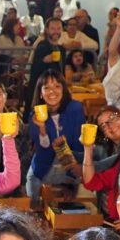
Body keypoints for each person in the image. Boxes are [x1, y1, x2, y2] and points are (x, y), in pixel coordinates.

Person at [27, 69, 84, 200]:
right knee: (34, 214)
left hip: (70, 173)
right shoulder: (35, 115)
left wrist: (71, 176)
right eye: (46, 87)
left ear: (63, 89)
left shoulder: (75, 109)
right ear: (41, 93)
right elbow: (43, 151)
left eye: (57, 86)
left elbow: (78, 146)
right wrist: (42, 128)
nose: (52, 91)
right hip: (42, 173)